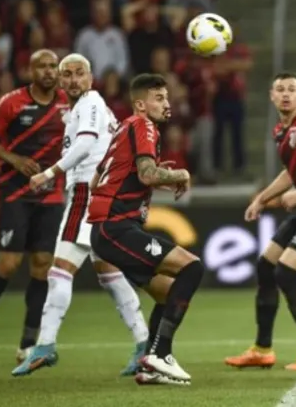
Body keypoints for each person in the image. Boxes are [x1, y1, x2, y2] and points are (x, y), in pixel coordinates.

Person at [12, 54, 150, 377]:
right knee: (109, 273)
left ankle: (44, 345)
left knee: (59, 270)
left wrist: (48, 174)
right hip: (103, 194)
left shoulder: (89, 103)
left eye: (80, 73)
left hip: (88, 194)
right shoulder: (86, 107)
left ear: (90, 78)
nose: (73, 80)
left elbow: (87, 142)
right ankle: (144, 344)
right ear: (61, 81)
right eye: (67, 75)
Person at [88, 74, 202, 386]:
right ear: (141, 104)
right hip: (117, 228)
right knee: (192, 268)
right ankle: (160, 354)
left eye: (167, 97)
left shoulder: (123, 128)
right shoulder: (143, 125)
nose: (167, 103)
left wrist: (163, 180)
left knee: (168, 294)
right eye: (159, 98)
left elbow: (99, 180)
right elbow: (147, 174)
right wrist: (180, 173)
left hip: (108, 230)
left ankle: (149, 367)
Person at [0, 50, 69, 363]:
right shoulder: (12, 102)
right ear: (29, 70)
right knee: (8, 264)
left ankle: (27, 341)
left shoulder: (69, 102)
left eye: (54, 67)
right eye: (43, 66)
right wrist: (13, 159)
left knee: (42, 265)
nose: (50, 72)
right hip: (14, 195)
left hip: (50, 196)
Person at [225, 73, 296, 371]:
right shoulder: (280, 130)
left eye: (292, 90)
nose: (286, 94)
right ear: (272, 96)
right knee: (266, 266)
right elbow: (290, 172)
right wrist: (262, 198)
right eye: (280, 89)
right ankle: (262, 348)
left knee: (286, 272)